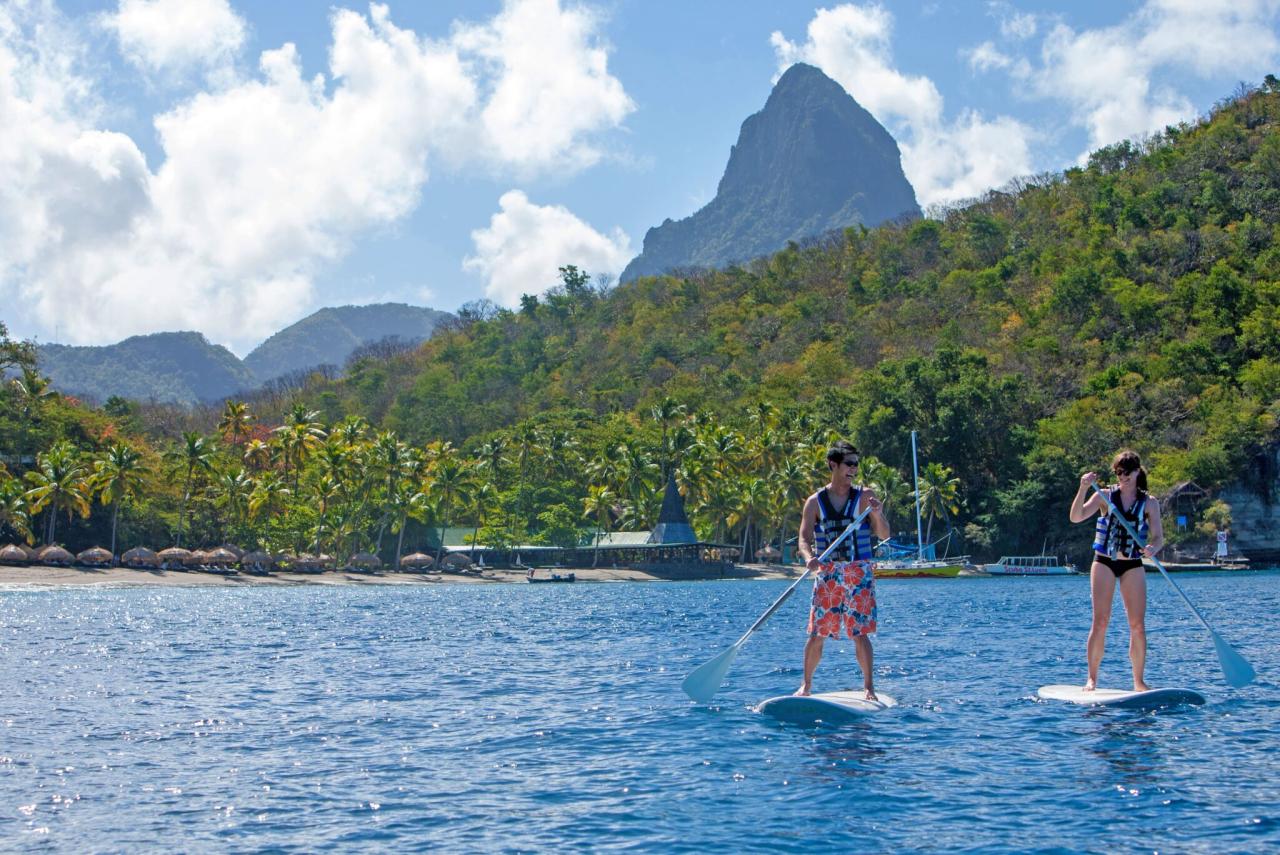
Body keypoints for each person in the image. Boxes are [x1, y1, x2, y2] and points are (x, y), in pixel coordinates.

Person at [795, 440, 889, 699]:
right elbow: (803, 539)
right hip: (828, 574)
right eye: (849, 464)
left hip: (858, 572)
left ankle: (869, 688)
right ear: (833, 465)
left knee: (860, 633)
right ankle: (806, 686)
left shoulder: (864, 497)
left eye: (856, 464)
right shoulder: (814, 502)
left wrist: (878, 514)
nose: (854, 469)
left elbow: (883, 534)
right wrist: (809, 557)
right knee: (817, 633)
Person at [1069, 449, 1165, 692]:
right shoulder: (1105, 496)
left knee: (1137, 625)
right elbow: (1076, 516)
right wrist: (1082, 488)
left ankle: (1138, 681)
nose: (1122, 477)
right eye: (1118, 472)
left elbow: (1158, 537)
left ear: (1136, 472)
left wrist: (1153, 548)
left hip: (1132, 563)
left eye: (1127, 473)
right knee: (1100, 621)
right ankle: (1091, 678)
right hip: (1104, 563)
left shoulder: (1149, 503)